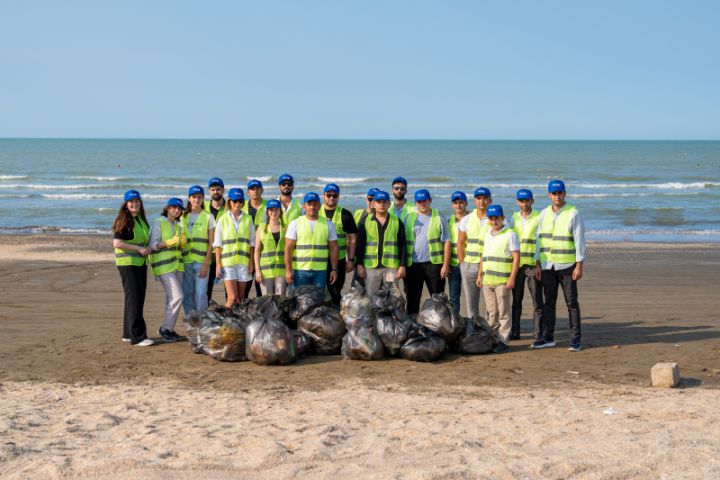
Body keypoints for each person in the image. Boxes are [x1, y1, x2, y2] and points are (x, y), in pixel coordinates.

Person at [533, 180, 586, 352]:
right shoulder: (543, 214)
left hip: (568, 265)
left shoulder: (573, 213)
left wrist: (579, 265)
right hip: (548, 266)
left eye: (560, 193)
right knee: (549, 303)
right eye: (554, 193)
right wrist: (538, 263)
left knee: (571, 303)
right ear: (549, 195)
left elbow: (579, 240)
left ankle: (575, 340)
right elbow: (538, 241)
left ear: (565, 193)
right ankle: (548, 337)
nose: (557, 196)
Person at [476, 204, 520, 353]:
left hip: (503, 281)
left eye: (497, 218)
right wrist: (480, 275)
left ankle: (503, 341)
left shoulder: (510, 234)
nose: (495, 221)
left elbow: (516, 257)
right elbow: (483, 256)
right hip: (488, 281)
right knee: (491, 313)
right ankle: (493, 339)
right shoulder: (487, 234)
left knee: (503, 313)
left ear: (503, 218)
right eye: (492, 218)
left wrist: (512, 278)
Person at [112, 189, 153, 346]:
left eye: (137, 201)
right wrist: (139, 249)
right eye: (131, 202)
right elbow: (117, 243)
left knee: (133, 299)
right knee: (135, 299)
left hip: (140, 264)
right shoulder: (125, 220)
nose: (134, 204)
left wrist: (148, 247)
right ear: (126, 204)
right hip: (128, 264)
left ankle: (128, 334)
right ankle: (138, 337)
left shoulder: (140, 219)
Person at [404, 189, 451, 315]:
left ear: (430, 200)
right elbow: (403, 242)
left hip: (434, 265)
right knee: (412, 300)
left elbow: (446, 241)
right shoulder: (409, 217)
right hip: (413, 265)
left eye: (424, 201)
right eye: (419, 202)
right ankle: (413, 326)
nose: (422, 204)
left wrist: (445, 265)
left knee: (438, 301)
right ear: (415, 203)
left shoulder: (439, 216)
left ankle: (439, 328)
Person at [507, 188, 543, 341]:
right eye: (521, 201)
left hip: (533, 266)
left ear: (532, 201)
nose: (524, 203)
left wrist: (539, 264)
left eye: (527, 200)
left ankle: (538, 333)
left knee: (537, 301)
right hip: (517, 266)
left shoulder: (539, 217)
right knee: (516, 301)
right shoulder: (513, 218)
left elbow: (542, 242)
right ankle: (515, 332)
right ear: (517, 202)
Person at [149, 198, 187, 343]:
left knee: (171, 299)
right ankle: (165, 328)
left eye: (179, 209)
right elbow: (153, 245)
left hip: (177, 266)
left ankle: (168, 330)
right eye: (174, 207)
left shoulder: (178, 225)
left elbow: (179, 247)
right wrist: (168, 243)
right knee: (178, 297)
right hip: (164, 266)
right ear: (167, 208)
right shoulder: (159, 222)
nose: (176, 210)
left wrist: (182, 245)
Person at [355, 190, 407, 295]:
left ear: (389, 204)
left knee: (394, 298)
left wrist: (402, 266)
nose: (381, 204)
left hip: (391, 268)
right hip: (371, 267)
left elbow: (403, 246)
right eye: (379, 202)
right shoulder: (365, 221)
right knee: (371, 297)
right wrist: (359, 264)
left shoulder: (397, 222)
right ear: (374, 204)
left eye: (384, 202)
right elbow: (360, 245)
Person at [284, 192, 339, 288]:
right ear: (304, 206)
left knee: (318, 300)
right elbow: (288, 249)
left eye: (315, 204)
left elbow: (333, 248)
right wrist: (288, 270)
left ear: (319, 206)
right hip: (300, 271)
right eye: (309, 204)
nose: (312, 207)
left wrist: (334, 269)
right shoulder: (295, 224)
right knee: (300, 299)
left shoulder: (328, 224)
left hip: (320, 271)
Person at [213, 188, 256, 307]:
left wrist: (251, 262)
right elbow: (217, 244)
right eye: (235, 201)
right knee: (232, 298)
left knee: (241, 299)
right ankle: (225, 323)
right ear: (229, 202)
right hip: (228, 264)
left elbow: (252, 243)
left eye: (240, 201)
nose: (237, 204)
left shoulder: (248, 219)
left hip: (244, 263)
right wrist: (218, 265)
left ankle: (236, 323)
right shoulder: (222, 219)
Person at [456, 187, 492, 318]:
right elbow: (460, 242)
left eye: (484, 198)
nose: (482, 201)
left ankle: (490, 331)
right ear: (474, 201)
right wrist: (462, 264)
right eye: (479, 198)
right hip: (470, 265)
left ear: (490, 200)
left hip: (489, 266)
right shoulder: (467, 219)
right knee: (471, 304)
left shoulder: (495, 218)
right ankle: (474, 331)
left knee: (491, 304)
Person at [181, 185, 216, 316]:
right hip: (186, 261)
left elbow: (212, 242)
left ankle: (202, 320)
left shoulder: (208, 217)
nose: (196, 200)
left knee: (201, 293)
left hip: (202, 261)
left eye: (199, 197)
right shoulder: (183, 217)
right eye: (194, 197)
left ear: (203, 199)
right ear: (189, 199)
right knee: (188, 292)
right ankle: (191, 319)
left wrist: (206, 263)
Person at [322, 183, 358, 306]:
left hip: (339, 260)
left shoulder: (345, 215)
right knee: (319, 292)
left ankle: (334, 318)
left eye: (334, 195)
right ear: (324, 196)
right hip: (320, 261)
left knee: (335, 292)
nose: (331, 198)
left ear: (338, 197)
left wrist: (351, 260)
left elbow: (352, 239)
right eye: (329, 195)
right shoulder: (315, 212)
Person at [253, 199, 288, 295]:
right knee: (267, 299)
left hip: (281, 269)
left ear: (280, 211)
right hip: (266, 270)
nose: (274, 212)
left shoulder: (285, 228)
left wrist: (289, 270)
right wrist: (257, 271)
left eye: (276, 210)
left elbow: (288, 251)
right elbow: (256, 251)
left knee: (280, 299)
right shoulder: (261, 228)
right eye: (271, 210)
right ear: (267, 212)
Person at [204, 177, 227, 301]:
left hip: (225, 254)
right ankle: (206, 315)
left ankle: (230, 316)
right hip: (207, 255)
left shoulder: (230, 208)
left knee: (228, 289)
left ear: (223, 190)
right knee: (206, 288)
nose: (215, 192)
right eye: (213, 189)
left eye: (218, 189)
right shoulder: (203, 209)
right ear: (209, 191)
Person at [244, 178, 267, 297]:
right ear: (248, 192)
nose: (255, 191)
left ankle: (261, 314)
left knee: (261, 290)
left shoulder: (269, 206)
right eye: (252, 189)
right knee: (244, 290)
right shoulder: (242, 207)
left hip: (262, 253)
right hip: (246, 253)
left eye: (258, 189)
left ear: (262, 190)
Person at [448, 191, 469, 313]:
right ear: (452, 205)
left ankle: (473, 321)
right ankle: (455, 322)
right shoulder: (449, 220)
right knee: (454, 297)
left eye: (461, 202)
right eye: (455, 203)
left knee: (471, 296)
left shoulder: (472, 219)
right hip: (453, 264)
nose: (458, 205)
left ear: (465, 203)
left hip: (469, 263)